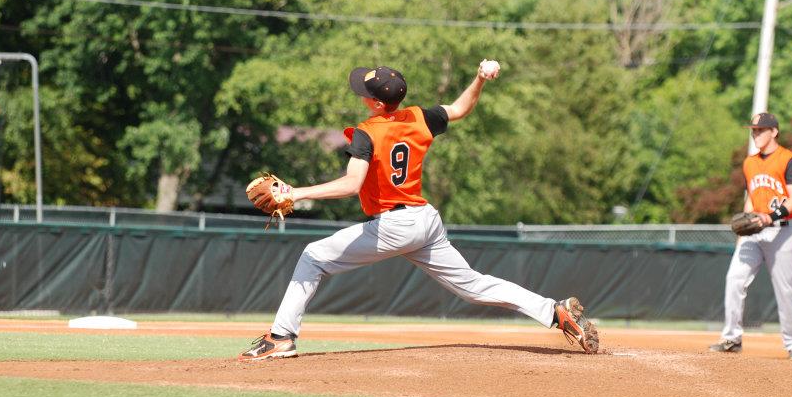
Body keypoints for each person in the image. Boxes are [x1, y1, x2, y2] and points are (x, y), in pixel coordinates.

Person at [241, 60, 596, 360]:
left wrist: (295, 192)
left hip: (395, 225)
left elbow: (352, 185)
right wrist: (479, 79)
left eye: (365, 92)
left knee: (313, 256)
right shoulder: (418, 118)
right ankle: (553, 310)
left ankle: (281, 337)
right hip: (425, 221)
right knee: (473, 285)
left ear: (378, 104)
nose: (360, 94)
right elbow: (459, 109)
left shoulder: (367, 133)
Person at [709, 112, 792, 360]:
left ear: (774, 131)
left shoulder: (790, 160)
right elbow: (751, 197)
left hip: (784, 231)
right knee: (734, 279)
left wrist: (769, 218)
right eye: (753, 131)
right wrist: (745, 229)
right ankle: (732, 339)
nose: (755, 135)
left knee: (786, 290)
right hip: (755, 230)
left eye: (760, 130)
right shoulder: (749, 163)